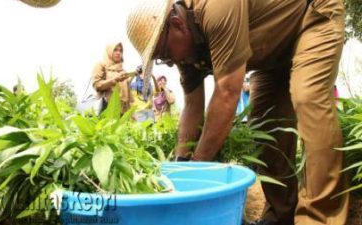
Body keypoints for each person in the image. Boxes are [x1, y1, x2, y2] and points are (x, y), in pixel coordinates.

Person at [126, 0, 348, 225]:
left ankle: (320, 217)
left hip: (311, 18)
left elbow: (227, 94)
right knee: (264, 122)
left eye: (164, 54)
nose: (170, 63)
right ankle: (281, 216)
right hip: (271, 54)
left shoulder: (215, 8)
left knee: (308, 96)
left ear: (177, 25)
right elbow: (192, 106)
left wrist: (197, 169)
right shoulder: (184, 48)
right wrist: (181, 164)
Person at [92, 42, 132, 114]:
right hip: (107, 107)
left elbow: (128, 95)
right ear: (109, 51)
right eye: (115, 50)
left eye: (120, 51)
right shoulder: (101, 65)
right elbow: (97, 85)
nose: (118, 53)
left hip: (123, 110)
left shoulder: (122, 70)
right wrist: (115, 79)